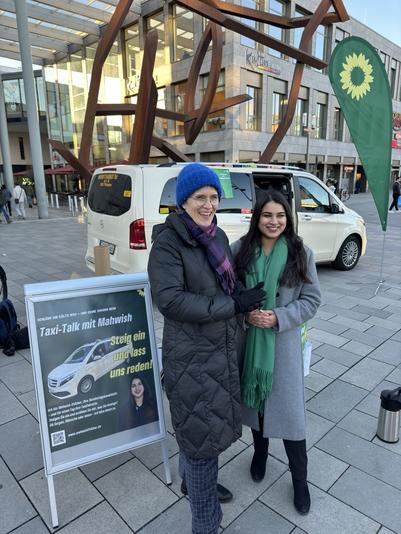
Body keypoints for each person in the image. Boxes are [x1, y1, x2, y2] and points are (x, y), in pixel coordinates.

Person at [148, 163, 265, 534]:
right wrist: (233, 306)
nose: (208, 204)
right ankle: (207, 524)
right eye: (200, 197)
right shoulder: (169, 243)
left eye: (213, 197)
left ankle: (192, 483)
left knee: (201, 435)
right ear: (183, 201)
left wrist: (244, 296)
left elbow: (225, 284)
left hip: (219, 351)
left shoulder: (214, 236)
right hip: (192, 359)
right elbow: (170, 300)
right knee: (200, 442)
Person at [232, 190, 321, 516]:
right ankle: (260, 454)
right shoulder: (239, 251)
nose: (274, 221)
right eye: (267, 215)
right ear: (257, 217)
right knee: (256, 408)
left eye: (280, 216)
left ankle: (300, 480)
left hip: (282, 350)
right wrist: (245, 313)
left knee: (291, 419)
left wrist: (279, 317)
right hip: (250, 346)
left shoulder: (301, 253)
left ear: (288, 218)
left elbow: (311, 300)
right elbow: (230, 293)